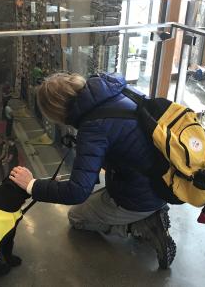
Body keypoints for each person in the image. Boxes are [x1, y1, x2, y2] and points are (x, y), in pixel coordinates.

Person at [9, 73, 176, 269]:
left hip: (140, 196)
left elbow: (77, 192)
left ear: (56, 112)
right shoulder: (117, 91)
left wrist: (31, 185)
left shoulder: (93, 127)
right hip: (164, 184)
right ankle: (152, 212)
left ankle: (140, 225)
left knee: (76, 217)